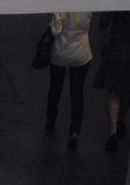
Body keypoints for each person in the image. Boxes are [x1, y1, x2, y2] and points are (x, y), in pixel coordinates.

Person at [93, 10, 130, 151]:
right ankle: (121, 119)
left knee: (114, 91)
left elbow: (103, 22)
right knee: (128, 88)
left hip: (117, 46)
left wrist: (101, 47)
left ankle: (113, 130)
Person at [45, 12, 93, 149]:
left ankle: (51, 117)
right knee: (77, 94)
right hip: (81, 53)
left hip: (61, 53)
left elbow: (56, 30)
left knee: (55, 87)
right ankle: (74, 131)